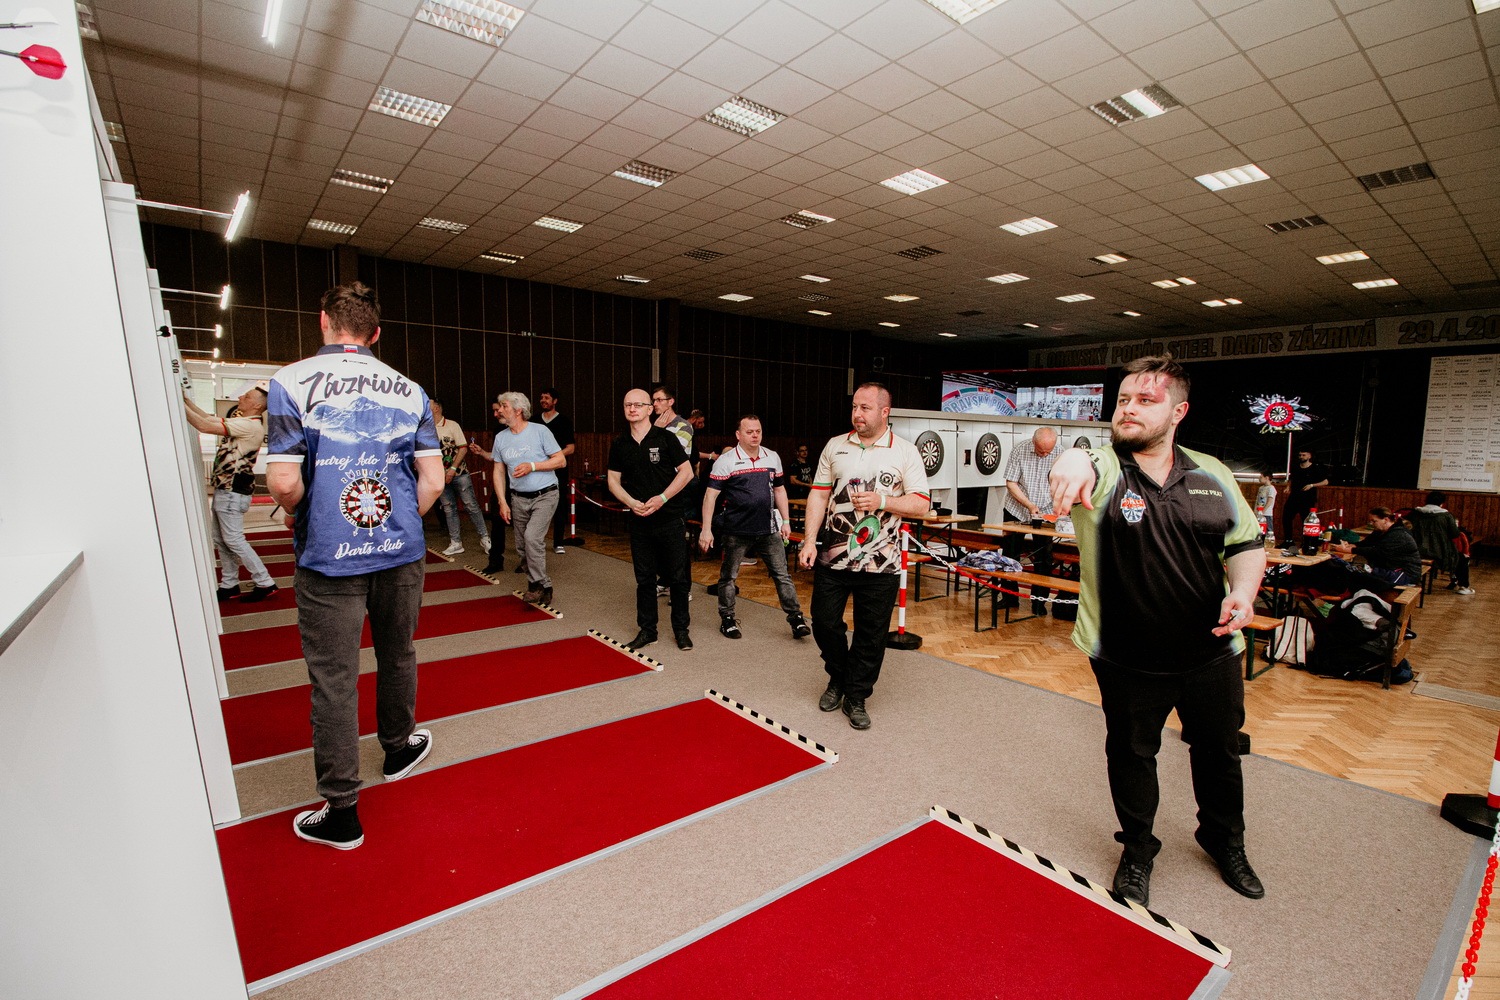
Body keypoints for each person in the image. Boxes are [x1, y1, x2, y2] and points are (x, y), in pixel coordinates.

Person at [1048, 355, 1267, 907]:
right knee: (1131, 754)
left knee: (1219, 753)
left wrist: (1243, 592)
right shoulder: (1102, 469)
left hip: (1212, 650)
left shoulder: (1213, 474)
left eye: (1146, 400)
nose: (1129, 409)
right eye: (1123, 399)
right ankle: (1138, 849)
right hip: (1125, 655)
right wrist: (1072, 456)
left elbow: (1245, 544)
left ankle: (1224, 840)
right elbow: (1080, 462)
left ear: (1178, 412)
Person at [264, 281, 445, 850]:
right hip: (399, 552)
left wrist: (307, 513)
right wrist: (397, 522)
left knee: (334, 679)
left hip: (328, 555)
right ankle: (398, 748)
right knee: (398, 651)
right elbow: (433, 481)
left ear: (324, 322)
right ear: (376, 333)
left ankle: (342, 810)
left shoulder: (289, 382)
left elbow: (283, 481)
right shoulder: (410, 390)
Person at [798, 383, 931, 731]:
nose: (857, 414)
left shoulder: (904, 451)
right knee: (824, 623)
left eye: (865, 408)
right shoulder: (835, 446)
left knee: (871, 636)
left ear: (885, 412)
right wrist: (809, 541)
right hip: (834, 557)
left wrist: (883, 501)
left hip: (881, 564)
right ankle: (839, 676)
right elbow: (818, 496)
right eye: (855, 407)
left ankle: (856, 696)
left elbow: (922, 504)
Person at [698, 414, 811, 640]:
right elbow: (710, 496)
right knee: (728, 577)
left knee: (782, 575)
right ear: (738, 435)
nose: (755, 435)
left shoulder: (772, 457)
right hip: (736, 531)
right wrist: (706, 529)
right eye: (749, 432)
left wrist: (786, 521)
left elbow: (779, 490)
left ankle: (796, 618)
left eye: (758, 431)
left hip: (768, 529)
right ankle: (727, 619)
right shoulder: (726, 461)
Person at [608, 388, 696, 651]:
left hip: (670, 519)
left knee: (678, 578)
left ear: (649, 409)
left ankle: (681, 630)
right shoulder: (620, 444)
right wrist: (630, 502)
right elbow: (613, 481)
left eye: (638, 404)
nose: (632, 409)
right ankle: (648, 631)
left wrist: (663, 498)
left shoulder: (666, 438)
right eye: (628, 405)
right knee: (644, 579)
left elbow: (686, 473)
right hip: (639, 521)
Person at [182, 381, 279, 602]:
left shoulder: (250, 426)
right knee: (221, 539)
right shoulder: (244, 422)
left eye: (246, 397)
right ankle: (229, 584)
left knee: (233, 539)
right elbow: (207, 419)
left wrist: (176, 402)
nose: (240, 399)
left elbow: (204, 426)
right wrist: (185, 400)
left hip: (232, 490)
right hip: (227, 489)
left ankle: (265, 582)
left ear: (256, 405)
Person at [490, 391, 565, 606]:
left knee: (532, 538)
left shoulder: (540, 431)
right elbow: (498, 471)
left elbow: (560, 461)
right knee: (522, 547)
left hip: (545, 494)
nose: (499, 411)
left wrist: (533, 466)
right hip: (518, 498)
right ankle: (545, 585)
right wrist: (502, 502)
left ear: (518, 410)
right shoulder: (501, 438)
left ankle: (535, 585)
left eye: (504, 406)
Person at [1000, 427, 1063, 617]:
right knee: (1010, 555)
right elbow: (1011, 482)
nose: (1044, 455)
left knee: (1044, 558)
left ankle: (1039, 602)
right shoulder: (1019, 450)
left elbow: (1063, 484)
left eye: (1048, 452)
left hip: (1046, 511)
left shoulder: (1061, 453)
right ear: (1033, 442)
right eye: (1041, 450)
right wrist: (1028, 504)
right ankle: (1009, 597)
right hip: (1016, 508)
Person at [1311, 506, 1423, 590]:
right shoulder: (1381, 531)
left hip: (1405, 575)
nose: (1372, 523)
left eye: (1374, 521)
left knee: (1353, 575)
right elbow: (1365, 543)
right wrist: (1351, 545)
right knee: (1350, 572)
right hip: (1390, 569)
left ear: (1386, 519)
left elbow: (1377, 552)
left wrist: (1349, 550)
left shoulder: (1399, 534)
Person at [431, 400, 490, 558]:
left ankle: (485, 538)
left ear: (436, 408)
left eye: (428, 405)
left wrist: (452, 469)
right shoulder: (426, 427)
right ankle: (456, 542)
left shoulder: (452, 425)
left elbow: (463, 448)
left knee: (471, 505)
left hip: (460, 473)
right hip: (439, 475)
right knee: (448, 508)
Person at [1409, 491, 1474, 595]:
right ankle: (1464, 587)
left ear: (1426, 501)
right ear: (1442, 503)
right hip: (1440, 552)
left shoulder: (1414, 514)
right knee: (1462, 559)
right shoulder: (1446, 516)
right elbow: (1454, 534)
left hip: (1416, 551)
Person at [536, 388, 575, 555]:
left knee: (559, 505)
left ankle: (558, 542)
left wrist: (554, 458)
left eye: (547, 398)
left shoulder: (564, 421)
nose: (543, 400)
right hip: (537, 470)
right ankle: (536, 542)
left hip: (558, 470)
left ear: (555, 401)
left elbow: (571, 448)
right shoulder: (534, 421)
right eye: (541, 397)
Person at [1281, 449, 1328, 544]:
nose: (1301, 457)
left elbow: (1325, 482)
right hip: (1294, 497)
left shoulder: (1315, 468)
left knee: (1306, 521)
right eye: (1300, 455)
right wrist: (1288, 487)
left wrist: (1312, 485)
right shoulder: (1295, 467)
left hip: (1307, 499)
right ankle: (1288, 540)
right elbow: (1291, 479)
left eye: (1304, 455)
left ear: (1309, 456)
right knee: (1286, 517)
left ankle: (1307, 542)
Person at [1254, 472, 1276, 542]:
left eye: (1261, 477)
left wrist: (1263, 511)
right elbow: (1257, 500)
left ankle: (1269, 541)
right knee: (1259, 529)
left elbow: (1270, 501)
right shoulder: (1261, 488)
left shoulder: (1271, 488)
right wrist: (1255, 510)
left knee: (1268, 529)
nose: (1259, 479)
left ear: (1267, 478)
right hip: (1259, 512)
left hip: (1267, 513)